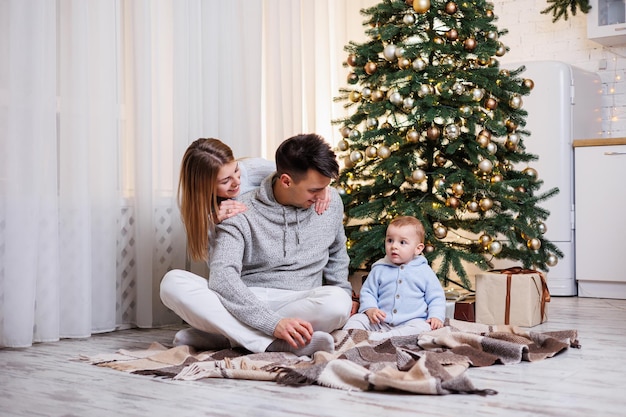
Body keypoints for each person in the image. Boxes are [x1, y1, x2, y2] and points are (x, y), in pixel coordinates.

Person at [160, 133, 354, 356]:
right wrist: (273, 324)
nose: (322, 195)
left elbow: (338, 254)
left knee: (338, 302)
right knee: (172, 283)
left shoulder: (328, 201)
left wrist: (344, 293)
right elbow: (223, 277)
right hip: (246, 297)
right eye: (314, 190)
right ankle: (271, 342)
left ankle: (225, 336)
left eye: (325, 186)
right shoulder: (235, 210)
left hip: (299, 300)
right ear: (286, 181)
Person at [177, 138, 329, 263]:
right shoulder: (200, 210)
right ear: (203, 186)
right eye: (225, 181)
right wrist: (213, 223)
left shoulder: (253, 169)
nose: (237, 181)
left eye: (236, 170)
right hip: (240, 265)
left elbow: (296, 176)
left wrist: (320, 188)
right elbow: (214, 261)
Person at [343, 215, 446, 341]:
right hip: (380, 322)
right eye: (390, 240)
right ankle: (348, 337)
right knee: (357, 319)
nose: (394, 246)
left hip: (411, 321)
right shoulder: (379, 269)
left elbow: (436, 297)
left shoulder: (424, 271)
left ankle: (385, 338)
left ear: (418, 249)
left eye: (402, 242)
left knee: (423, 328)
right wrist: (370, 309)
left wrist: (436, 316)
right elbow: (368, 292)